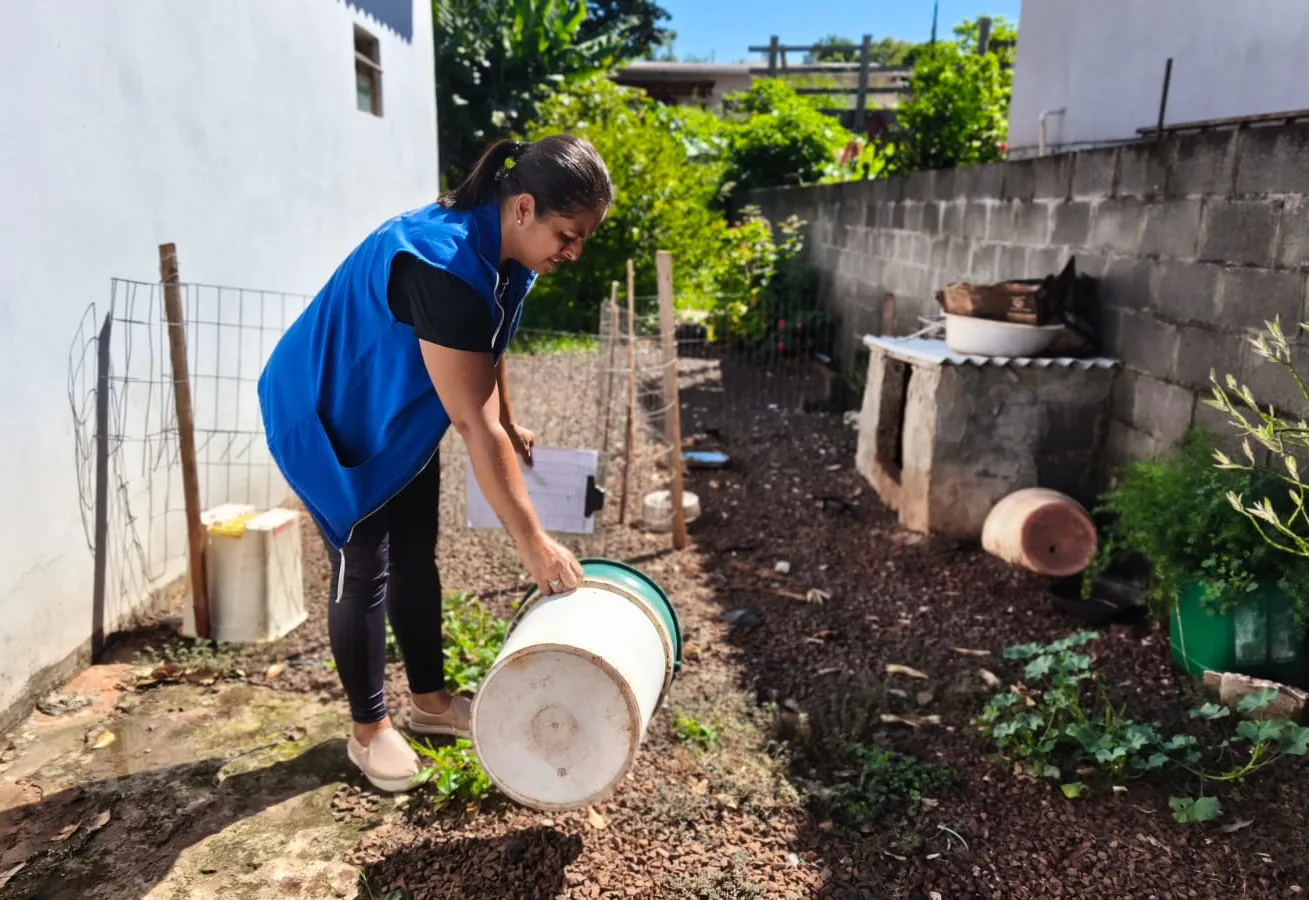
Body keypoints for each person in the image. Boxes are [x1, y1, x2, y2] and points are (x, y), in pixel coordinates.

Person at [257, 135, 613, 792]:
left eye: (584, 237)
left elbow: (489, 338)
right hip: (330, 414)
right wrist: (533, 544)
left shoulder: (508, 252)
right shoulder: (441, 261)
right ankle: (368, 731)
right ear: (524, 207)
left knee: (416, 549)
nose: (575, 251)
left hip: (397, 413)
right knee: (363, 562)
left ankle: (428, 702)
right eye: (569, 233)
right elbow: (470, 423)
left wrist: (507, 415)